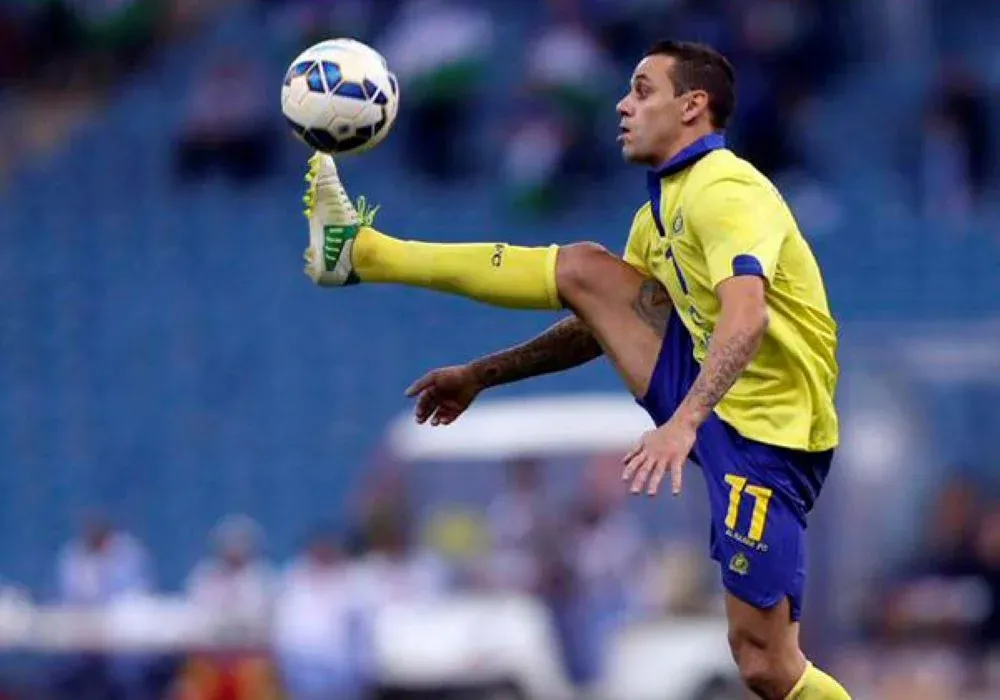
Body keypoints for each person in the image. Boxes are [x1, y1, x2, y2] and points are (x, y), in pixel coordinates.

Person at [301, 39, 850, 700]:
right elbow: (598, 319)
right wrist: (483, 373)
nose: (622, 105)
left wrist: (683, 423)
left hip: (770, 438)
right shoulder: (660, 213)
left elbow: (747, 315)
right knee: (590, 269)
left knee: (764, 661)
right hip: (715, 395)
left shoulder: (725, 190)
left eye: (643, 90)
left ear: (693, 106)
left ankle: (364, 254)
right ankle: (362, 252)